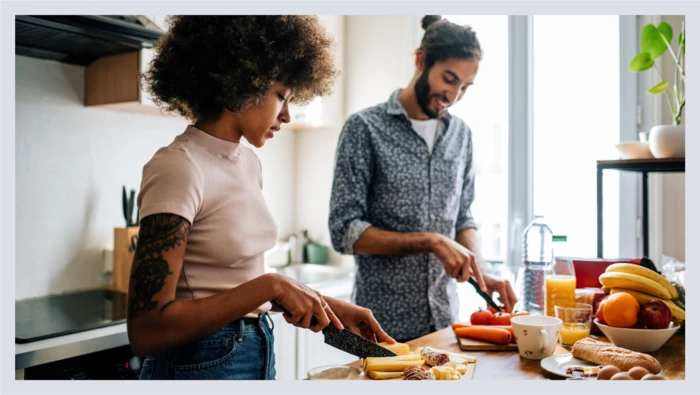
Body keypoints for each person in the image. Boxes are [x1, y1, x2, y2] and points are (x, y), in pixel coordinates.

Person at [128, 16, 393, 381]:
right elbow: (146, 330)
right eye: (281, 96)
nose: (286, 115)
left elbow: (236, 280)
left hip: (256, 350)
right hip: (198, 364)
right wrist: (272, 286)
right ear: (238, 81)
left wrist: (328, 308)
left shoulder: (249, 163)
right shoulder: (179, 166)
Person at [328, 15, 517, 343]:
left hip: (444, 324)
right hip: (378, 330)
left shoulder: (462, 135)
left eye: (465, 87)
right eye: (449, 79)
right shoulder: (364, 128)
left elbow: (463, 218)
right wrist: (431, 241)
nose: (454, 95)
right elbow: (343, 231)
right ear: (420, 60)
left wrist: (482, 270)